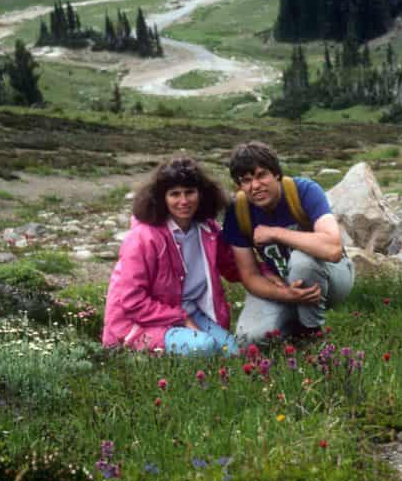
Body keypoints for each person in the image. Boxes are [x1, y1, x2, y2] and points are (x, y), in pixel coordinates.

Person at [102, 157, 240, 356]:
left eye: (190, 192)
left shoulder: (208, 230)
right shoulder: (143, 238)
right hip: (139, 322)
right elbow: (133, 302)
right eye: (174, 194)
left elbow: (233, 267)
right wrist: (181, 318)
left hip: (189, 312)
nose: (183, 201)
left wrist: (273, 276)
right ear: (162, 199)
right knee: (204, 347)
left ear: (201, 194)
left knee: (232, 352)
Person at [222, 141, 354, 343]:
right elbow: (249, 275)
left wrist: (275, 233)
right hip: (282, 282)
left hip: (332, 275)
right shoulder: (237, 211)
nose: (255, 186)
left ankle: (311, 333)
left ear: (276, 173)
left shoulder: (304, 191)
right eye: (246, 181)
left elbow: (333, 249)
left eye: (261, 175)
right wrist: (285, 295)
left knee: (303, 262)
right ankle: (292, 320)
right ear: (239, 186)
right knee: (249, 339)